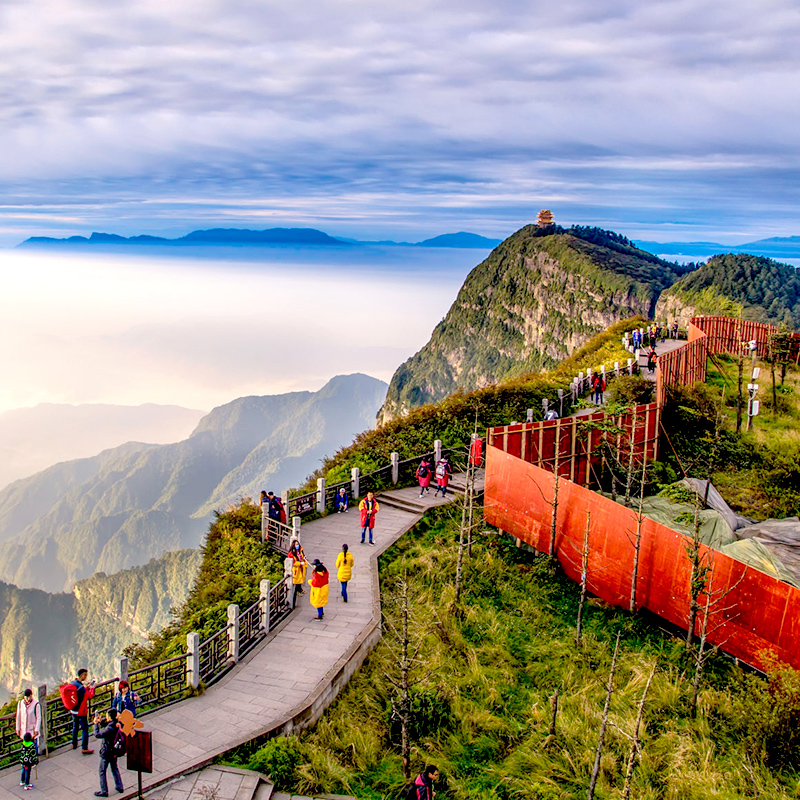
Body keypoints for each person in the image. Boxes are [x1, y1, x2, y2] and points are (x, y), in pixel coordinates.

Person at [93, 708, 124, 797]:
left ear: (110, 717)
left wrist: (95, 725)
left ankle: (104, 790)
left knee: (102, 771)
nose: (105, 718)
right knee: (114, 768)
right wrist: (101, 722)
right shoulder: (116, 724)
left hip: (107, 752)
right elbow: (107, 725)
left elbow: (98, 734)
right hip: (114, 751)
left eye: (106, 716)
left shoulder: (110, 728)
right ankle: (119, 786)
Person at [70, 669, 96, 754]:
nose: (86, 677)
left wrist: (86, 688)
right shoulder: (81, 687)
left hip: (73, 710)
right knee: (85, 728)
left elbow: (80, 693)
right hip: (81, 711)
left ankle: (74, 743)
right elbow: (89, 696)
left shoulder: (73, 683)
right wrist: (92, 688)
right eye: (85, 675)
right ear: (82, 675)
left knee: (75, 727)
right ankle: (84, 747)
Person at [15, 689, 41, 754]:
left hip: (32, 729)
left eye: (28, 696)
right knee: (25, 746)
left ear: (31, 696)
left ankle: (34, 760)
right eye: (26, 697)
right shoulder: (20, 703)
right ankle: (26, 761)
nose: (27, 698)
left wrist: (36, 729)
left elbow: (38, 717)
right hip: (23, 729)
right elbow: (18, 716)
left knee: (33, 745)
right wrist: (17, 728)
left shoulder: (36, 704)